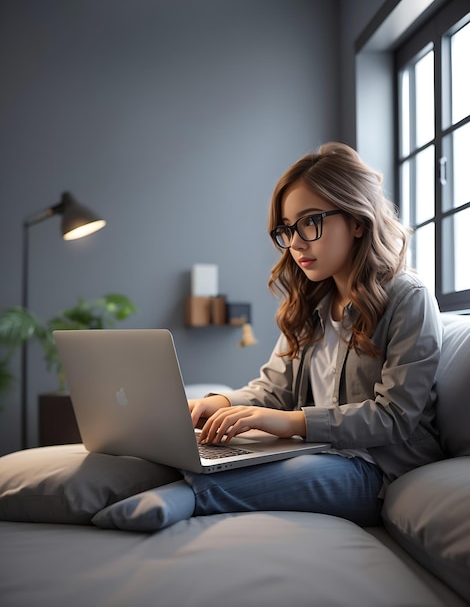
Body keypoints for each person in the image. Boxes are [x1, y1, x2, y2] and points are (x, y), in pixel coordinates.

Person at [154, 142, 446, 529]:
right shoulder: (313, 303)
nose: (295, 243)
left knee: (223, 482)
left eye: (310, 222)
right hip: (318, 452)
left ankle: (177, 500)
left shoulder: (408, 297)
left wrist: (292, 423)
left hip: (378, 469)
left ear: (358, 221)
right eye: (287, 229)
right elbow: (273, 390)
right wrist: (220, 402)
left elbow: (394, 417)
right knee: (187, 456)